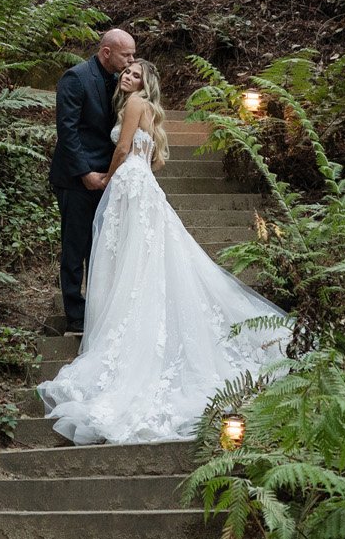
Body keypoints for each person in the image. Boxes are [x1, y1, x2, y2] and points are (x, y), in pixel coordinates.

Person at [38, 60, 290, 445]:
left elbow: (123, 147)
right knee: (137, 257)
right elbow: (149, 154)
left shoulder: (136, 103)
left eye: (136, 73)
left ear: (146, 83)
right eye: (126, 71)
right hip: (140, 182)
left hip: (128, 182)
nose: (128, 76)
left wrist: (106, 177)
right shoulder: (142, 108)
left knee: (132, 257)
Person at [51, 28, 136, 333]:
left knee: (102, 246)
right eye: (127, 55)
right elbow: (68, 130)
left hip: (109, 177)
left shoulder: (124, 82)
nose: (132, 60)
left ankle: (99, 308)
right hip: (76, 178)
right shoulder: (75, 78)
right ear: (106, 52)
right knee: (76, 245)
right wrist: (85, 173)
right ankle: (75, 313)